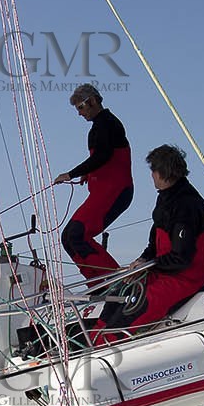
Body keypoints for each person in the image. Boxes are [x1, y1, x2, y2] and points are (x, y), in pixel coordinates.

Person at [91, 144, 204, 343]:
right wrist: (143, 260)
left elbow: (181, 258)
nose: (152, 176)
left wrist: (150, 265)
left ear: (163, 173)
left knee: (139, 306)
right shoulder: (165, 199)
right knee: (118, 291)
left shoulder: (187, 206)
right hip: (163, 271)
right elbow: (154, 244)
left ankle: (106, 344)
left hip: (186, 277)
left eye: (153, 171)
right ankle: (93, 339)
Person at [53, 84, 133, 286]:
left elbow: (103, 155)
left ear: (93, 101)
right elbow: (103, 157)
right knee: (68, 237)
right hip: (104, 192)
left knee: (77, 234)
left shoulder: (107, 123)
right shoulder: (99, 126)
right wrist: (89, 172)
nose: (80, 114)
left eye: (80, 107)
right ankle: (98, 285)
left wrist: (72, 174)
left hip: (115, 191)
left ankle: (118, 282)